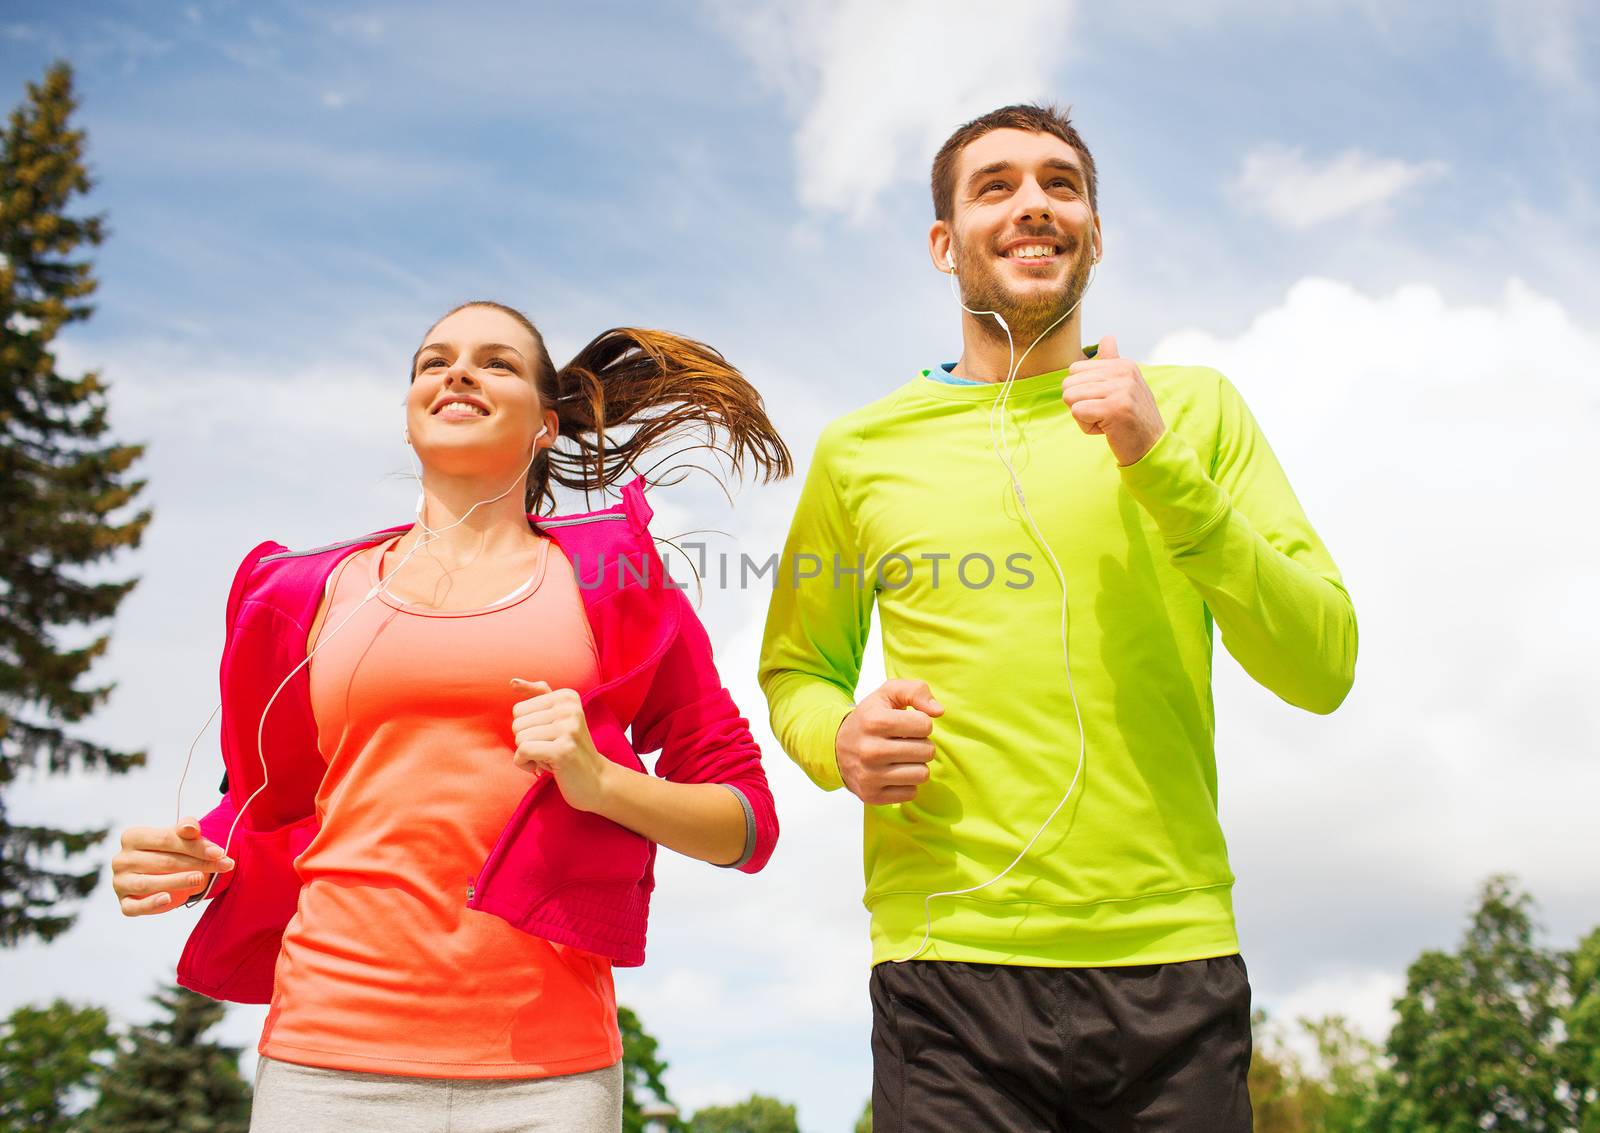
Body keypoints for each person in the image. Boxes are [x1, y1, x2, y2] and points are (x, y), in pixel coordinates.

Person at [758, 103, 1358, 1131]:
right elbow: (797, 668)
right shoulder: (857, 450)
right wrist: (837, 737)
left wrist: (1157, 463)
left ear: (1092, 232)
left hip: (1171, 959)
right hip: (947, 968)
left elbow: (1321, 664)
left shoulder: (1193, 411)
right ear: (944, 244)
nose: (1032, 203)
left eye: (1060, 183)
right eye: (995, 185)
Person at [112, 300, 791, 1131]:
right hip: (326, 1060)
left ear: (546, 424)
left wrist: (602, 782)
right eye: (433, 362)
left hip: (548, 1073)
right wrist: (190, 859)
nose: (458, 371)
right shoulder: (308, 594)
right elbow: (267, 804)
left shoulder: (618, 576)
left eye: (496, 361)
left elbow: (747, 825)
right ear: (408, 421)